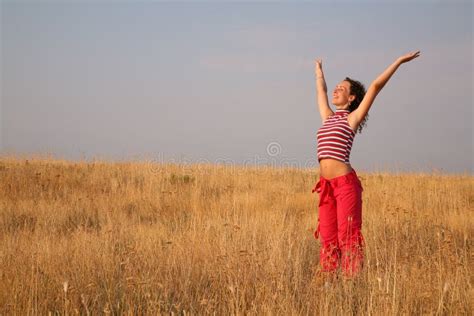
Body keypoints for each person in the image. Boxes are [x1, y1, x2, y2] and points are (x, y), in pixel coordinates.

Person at [312, 50, 421, 280]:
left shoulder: (352, 118)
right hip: (326, 188)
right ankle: (330, 287)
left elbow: (375, 86)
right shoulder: (327, 117)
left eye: (342, 88)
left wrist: (399, 62)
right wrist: (319, 73)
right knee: (328, 237)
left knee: (348, 236)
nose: (336, 89)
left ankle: (352, 288)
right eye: (336, 86)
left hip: (345, 186)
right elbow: (321, 90)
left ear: (351, 98)